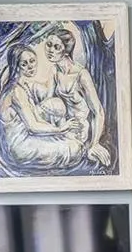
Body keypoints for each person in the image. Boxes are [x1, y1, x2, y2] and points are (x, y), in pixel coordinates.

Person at [0, 44, 81, 168]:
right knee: (74, 148)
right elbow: (33, 126)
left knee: (57, 106)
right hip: (21, 146)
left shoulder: (22, 85)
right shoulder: (16, 91)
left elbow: (36, 117)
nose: (30, 66)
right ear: (16, 66)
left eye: (32, 61)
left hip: (27, 136)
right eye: (24, 64)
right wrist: (60, 129)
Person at [44, 29, 111, 168]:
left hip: (78, 130)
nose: (50, 50)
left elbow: (98, 111)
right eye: (49, 44)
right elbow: (49, 102)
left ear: (66, 51)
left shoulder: (81, 74)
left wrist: (95, 143)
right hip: (61, 126)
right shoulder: (54, 70)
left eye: (56, 47)